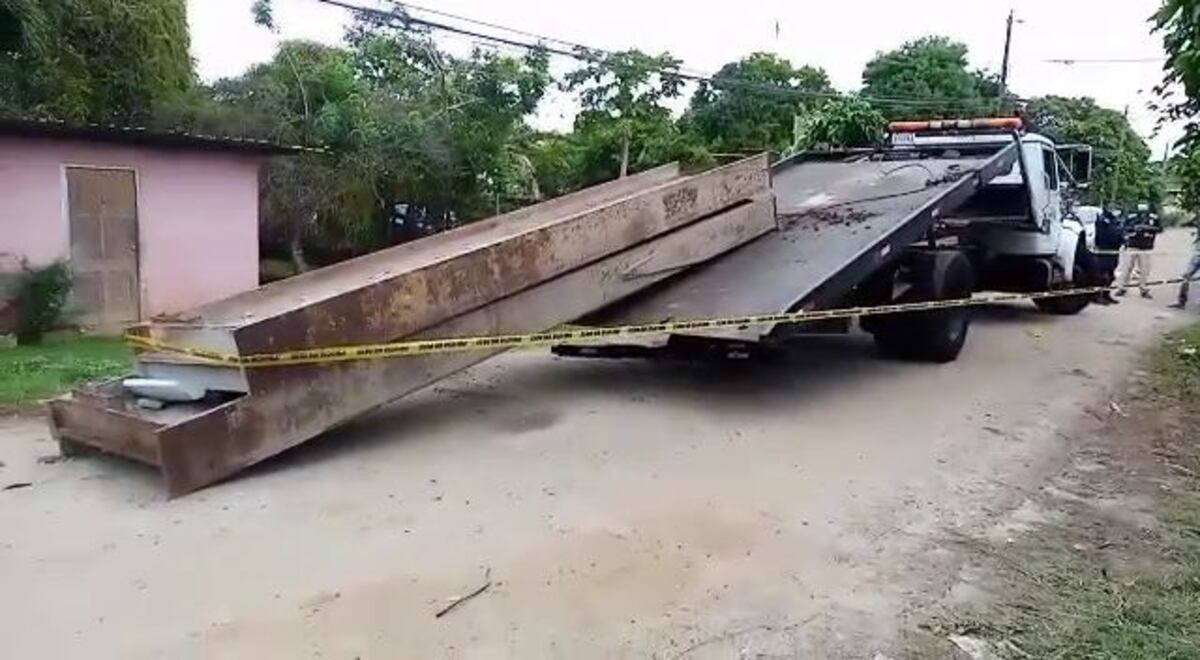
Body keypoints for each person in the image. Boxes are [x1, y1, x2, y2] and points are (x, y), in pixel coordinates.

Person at [1117, 203, 1163, 299]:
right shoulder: (1132, 216)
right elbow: (1124, 227)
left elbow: (1160, 229)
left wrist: (1146, 228)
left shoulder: (1153, 217)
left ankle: (1144, 289)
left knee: (1144, 270)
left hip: (1146, 247)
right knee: (1126, 268)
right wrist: (1134, 228)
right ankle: (1122, 288)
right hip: (1132, 245)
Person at [1093, 207, 1125, 305]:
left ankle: (1106, 294)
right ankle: (1097, 296)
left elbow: (1119, 234)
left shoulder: (1115, 221)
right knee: (1102, 275)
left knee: (1111, 275)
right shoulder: (1103, 221)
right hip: (1104, 251)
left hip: (1114, 251)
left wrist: (1122, 239)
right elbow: (1104, 236)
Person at [1169, 213, 1200, 310]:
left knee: (1187, 276)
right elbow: (1190, 223)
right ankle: (1181, 301)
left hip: (1197, 254)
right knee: (1186, 276)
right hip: (1197, 255)